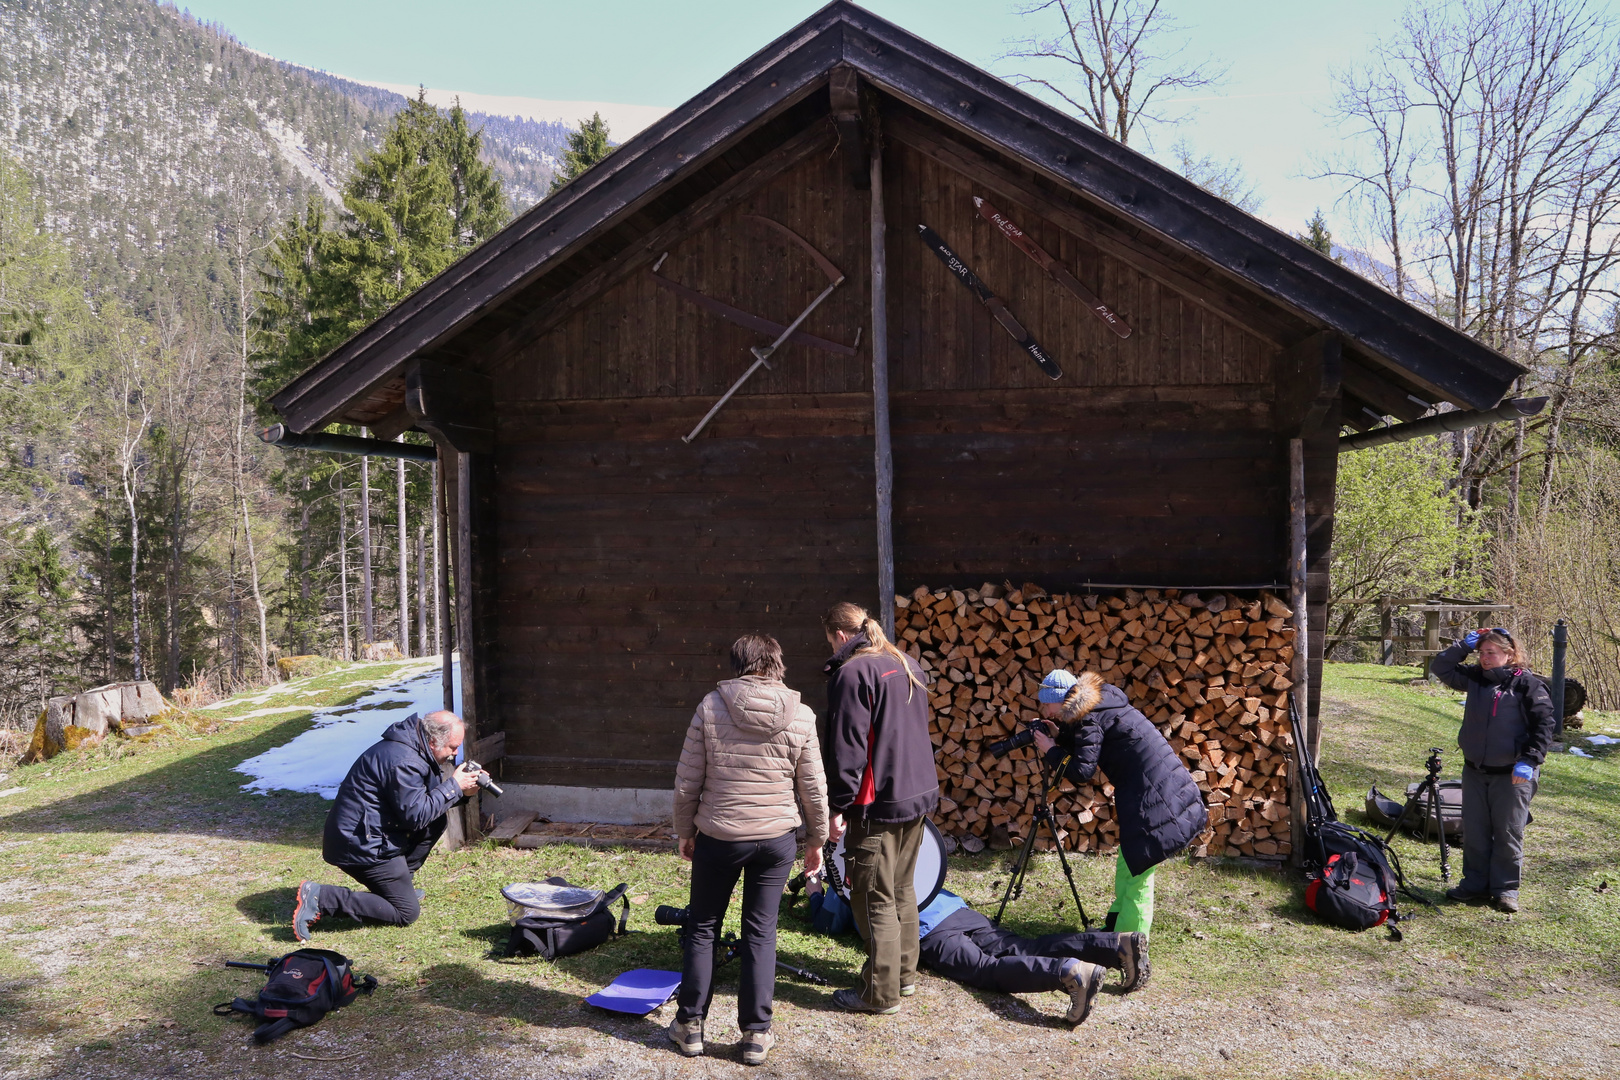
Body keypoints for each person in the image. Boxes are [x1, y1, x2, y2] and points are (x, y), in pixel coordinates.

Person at [668, 633, 828, 1067]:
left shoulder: (711, 706)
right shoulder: (802, 714)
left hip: (720, 835)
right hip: (776, 839)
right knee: (762, 931)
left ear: (738, 663)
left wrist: (685, 829)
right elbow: (812, 789)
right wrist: (817, 839)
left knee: (703, 926)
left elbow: (688, 779)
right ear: (777, 663)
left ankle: (689, 1028)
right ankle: (756, 1035)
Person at [821, 601, 938, 1015]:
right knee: (901, 888)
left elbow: (846, 750)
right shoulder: (905, 662)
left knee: (873, 896)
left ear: (838, 636)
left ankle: (879, 993)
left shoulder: (852, 673)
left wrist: (837, 806)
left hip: (877, 803)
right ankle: (903, 976)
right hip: (916, 794)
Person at [1032, 669, 1206, 936]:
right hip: (1153, 790)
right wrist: (1060, 736)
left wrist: (1051, 750)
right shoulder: (1096, 706)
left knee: (1139, 875)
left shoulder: (1089, 716)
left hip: (1156, 797)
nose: (1044, 710)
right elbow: (1090, 742)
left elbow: (1082, 770)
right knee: (1129, 862)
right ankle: (1115, 930)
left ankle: (1131, 946)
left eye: (1046, 703)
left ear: (1061, 698)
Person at [293, 710, 481, 940]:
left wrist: (463, 791)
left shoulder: (415, 749)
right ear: (433, 741)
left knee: (436, 820)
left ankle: (397, 887)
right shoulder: (404, 761)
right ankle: (321, 898)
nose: (456, 753)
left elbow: (425, 803)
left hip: (372, 833)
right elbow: (417, 815)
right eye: (453, 747)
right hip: (358, 843)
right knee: (406, 912)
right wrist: (453, 785)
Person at [1431, 627, 1555, 913]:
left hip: (1513, 773)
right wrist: (1463, 645)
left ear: (1510, 655)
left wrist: (1530, 760)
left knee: (1508, 832)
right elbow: (1441, 666)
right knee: (1474, 830)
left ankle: (1505, 889)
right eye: (1482, 653)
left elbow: (1545, 725)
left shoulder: (1527, 684)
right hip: (1475, 770)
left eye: (1492, 653)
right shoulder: (1476, 678)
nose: (1485, 658)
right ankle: (1474, 884)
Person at [916, 888, 1147, 1024]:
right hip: (951, 906)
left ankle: (1069, 973)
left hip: (925, 925)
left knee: (984, 968)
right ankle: (1116, 944)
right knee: (1026, 946)